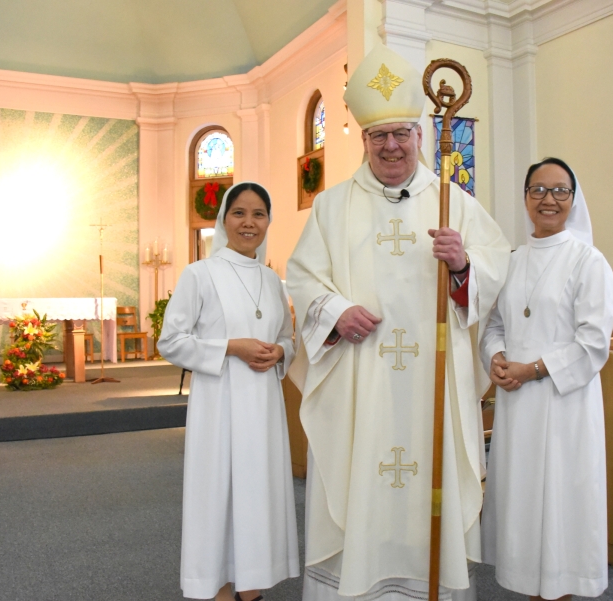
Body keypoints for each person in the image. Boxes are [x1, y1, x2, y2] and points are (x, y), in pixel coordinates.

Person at [286, 44, 510, 601]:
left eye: (401, 134)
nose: (390, 145)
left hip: (432, 384)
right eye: (378, 135)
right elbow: (303, 278)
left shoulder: (452, 201)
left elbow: (494, 268)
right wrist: (337, 313)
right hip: (360, 378)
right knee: (363, 472)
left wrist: (462, 266)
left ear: (417, 136)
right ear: (363, 141)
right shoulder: (330, 207)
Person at [479, 158, 613, 601]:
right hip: (518, 404)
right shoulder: (512, 260)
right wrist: (496, 357)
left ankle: (560, 591)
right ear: (525, 199)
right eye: (538, 190)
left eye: (559, 191)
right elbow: (494, 323)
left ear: (573, 200)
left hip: (563, 404)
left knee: (561, 503)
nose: (548, 200)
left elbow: (594, 343)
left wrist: (533, 368)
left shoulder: (588, 261)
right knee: (522, 501)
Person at [158, 182, 299, 601]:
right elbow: (171, 341)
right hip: (218, 405)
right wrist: (230, 347)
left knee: (257, 497)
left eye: (258, 214)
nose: (249, 223)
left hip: (263, 407)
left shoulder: (274, 280)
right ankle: (218, 591)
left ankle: (252, 590)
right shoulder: (199, 273)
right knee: (217, 497)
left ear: (269, 221)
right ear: (223, 219)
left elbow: (287, 339)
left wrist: (279, 352)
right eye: (239, 213)